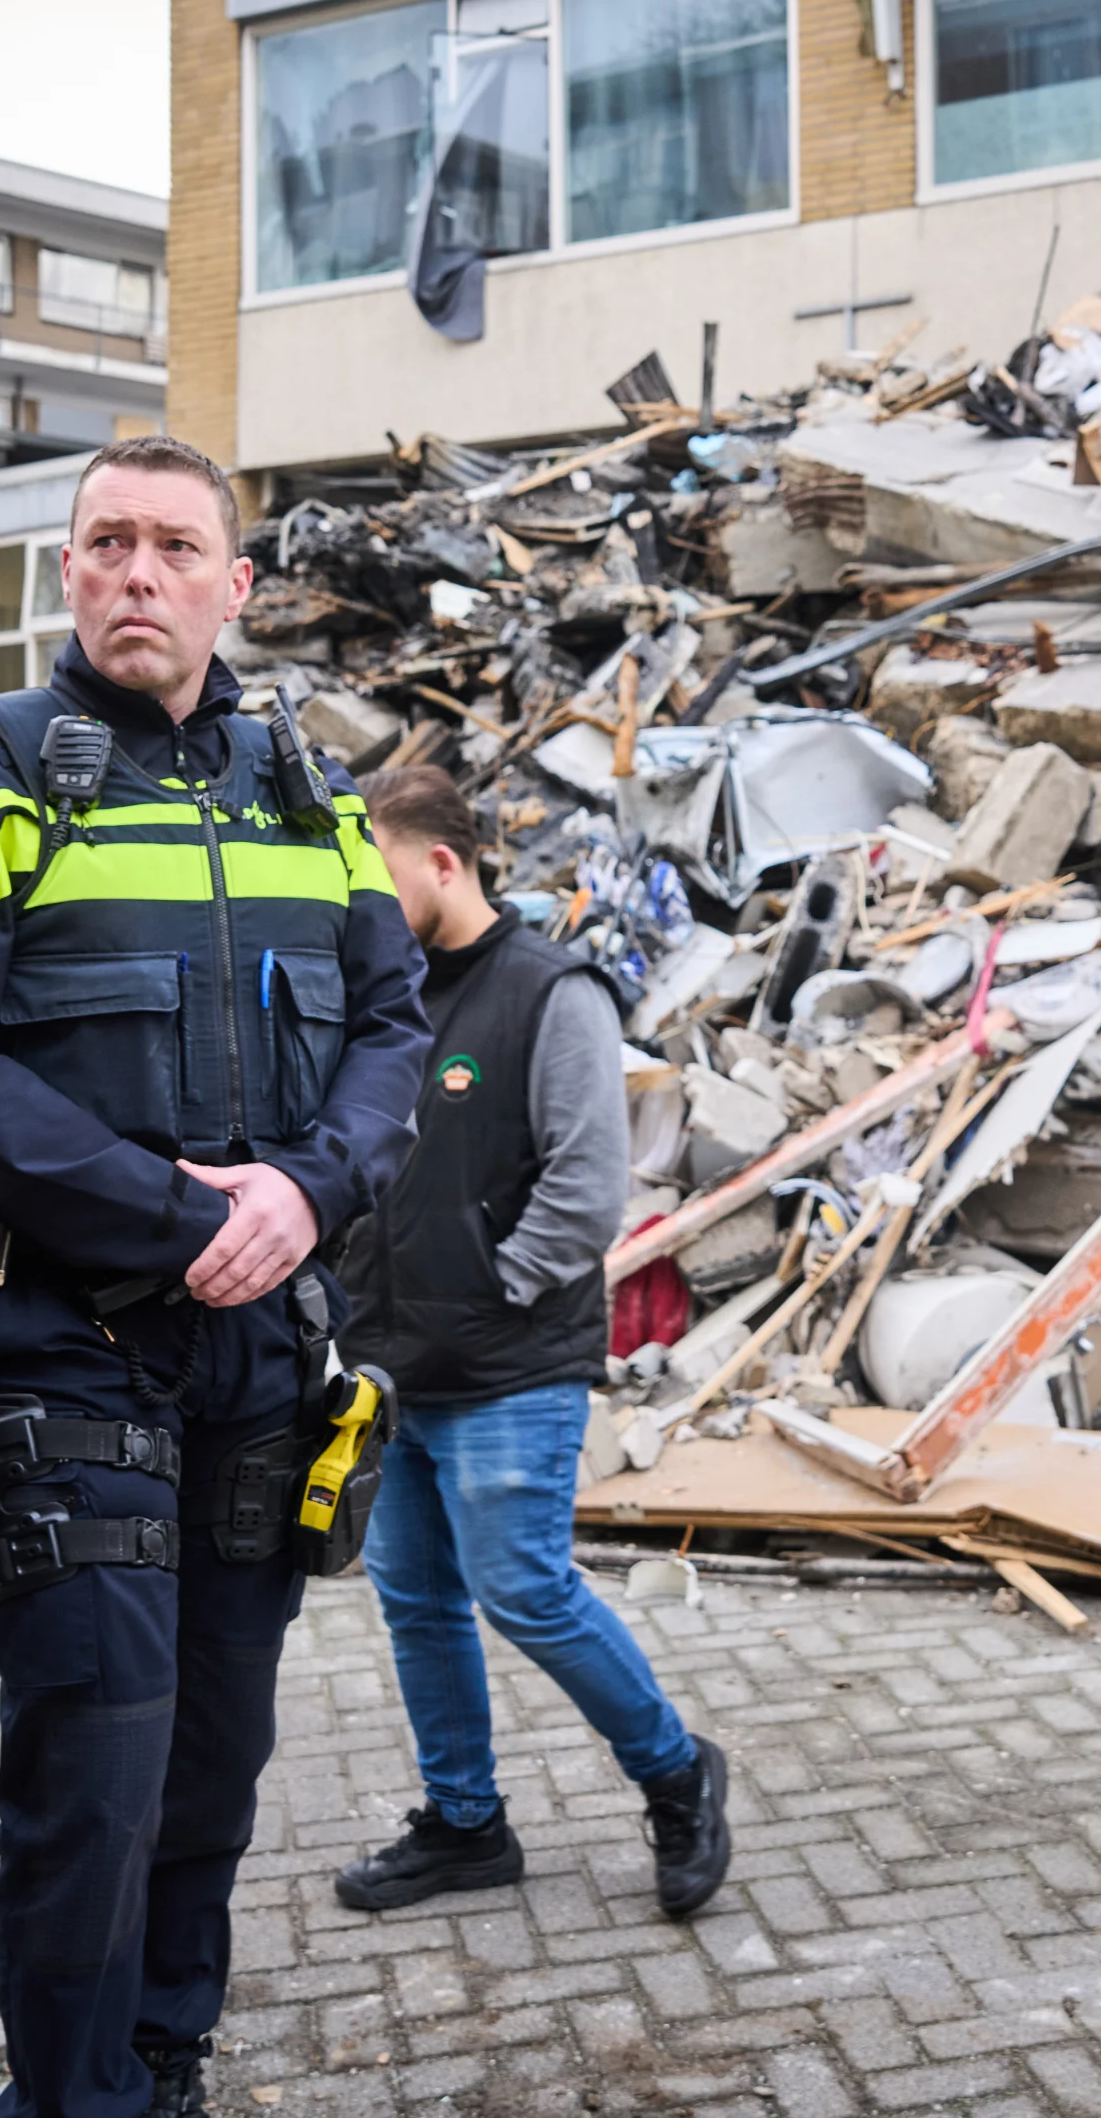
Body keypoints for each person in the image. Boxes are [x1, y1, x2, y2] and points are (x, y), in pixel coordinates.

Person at [0, 436, 427, 2118]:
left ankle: (161, 2062)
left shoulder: (308, 792)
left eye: (177, 546)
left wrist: (310, 1197)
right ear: (67, 574)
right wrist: (177, 1219)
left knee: (209, 1766)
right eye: (106, 542)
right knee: (94, 1766)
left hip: (262, 1358)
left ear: (233, 588)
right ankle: (70, 2098)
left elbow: (393, 1032)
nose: (137, 573)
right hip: (56, 1347)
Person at [331, 764, 733, 1920]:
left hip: (507, 1363)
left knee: (524, 1590)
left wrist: (485, 1289)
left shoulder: (553, 991)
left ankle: (675, 1774)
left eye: (376, 875)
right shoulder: (380, 1000)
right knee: (414, 1598)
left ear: (442, 864)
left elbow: (590, 1184)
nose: (358, 901)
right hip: (386, 1364)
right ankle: (465, 1824)